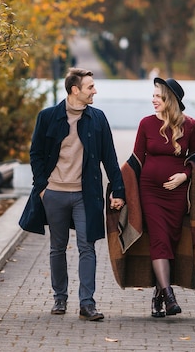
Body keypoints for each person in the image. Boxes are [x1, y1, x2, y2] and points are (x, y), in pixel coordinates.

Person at [19, 67, 125, 321]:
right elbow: (35, 154)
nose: (95, 90)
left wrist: (118, 190)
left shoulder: (97, 119)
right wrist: (42, 187)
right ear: (74, 90)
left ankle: (87, 303)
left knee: (86, 246)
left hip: (84, 195)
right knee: (57, 247)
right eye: (90, 87)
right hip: (54, 193)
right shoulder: (48, 117)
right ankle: (60, 298)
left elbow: (109, 158)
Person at [132, 77, 195, 318]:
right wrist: (120, 190)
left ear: (170, 100)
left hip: (177, 194)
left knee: (170, 241)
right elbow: (136, 160)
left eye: (158, 96)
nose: (153, 100)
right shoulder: (146, 124)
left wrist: (184, 175)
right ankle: (169, 296)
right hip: (149, 190)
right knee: (159, 240)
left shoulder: (190, 126)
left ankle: (158, 295)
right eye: (153, 96)